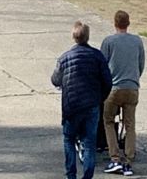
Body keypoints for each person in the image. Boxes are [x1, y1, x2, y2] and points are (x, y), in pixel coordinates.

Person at [52, 21, 113, 179]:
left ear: (73, 36)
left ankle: (71, 174)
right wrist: (100, 98)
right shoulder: (97, 56)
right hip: (92, 104)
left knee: (69, 138)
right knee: (89, 141)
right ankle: (87, 175)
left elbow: (55, 80)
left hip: (71, 105)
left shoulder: (65, 58)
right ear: (87, 36)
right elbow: (107, 81)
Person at [101, 11, 145, 176]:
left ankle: (115, 158)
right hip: (132, 87)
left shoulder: (109, 41)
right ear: (128, 23)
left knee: (109, 121)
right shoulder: (137, 41)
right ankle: (129, 159)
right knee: (130, 124)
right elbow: (141, 64)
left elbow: (102, 65)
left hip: (114, 87)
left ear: (114, 23)